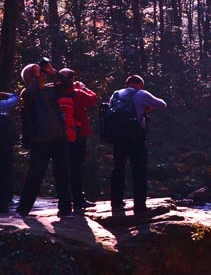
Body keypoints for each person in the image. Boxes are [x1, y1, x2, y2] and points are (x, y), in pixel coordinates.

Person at [16, 62, 72, 217]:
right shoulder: (28, 94)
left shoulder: (51, 90)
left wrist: (53, 72)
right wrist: (35, 77)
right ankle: (23, 210)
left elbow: (68, 86)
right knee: (35, 175)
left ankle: (66, 209)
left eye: (42, 73)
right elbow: (29, 94)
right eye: (39, 73)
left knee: (62, 174)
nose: (42, 75)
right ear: (30, 78)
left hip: (58, 138)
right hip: (39, 140)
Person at [109, 75, 166, 218]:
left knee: (118, 169)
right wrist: (147, 107)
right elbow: (162, 104)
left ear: (126, 83)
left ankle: (116, 203)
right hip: (136, 137)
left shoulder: (115, 94)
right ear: (139, 84)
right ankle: (140, 206)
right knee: (139, 171)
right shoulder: (141, 94)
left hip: (118, 137)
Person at [56, 68, 98, 212]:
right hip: (78, 135)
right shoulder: (78, 94)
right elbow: (94, 98)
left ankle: (64, 201)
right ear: (72, 79)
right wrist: (83, 87)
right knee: (76, 168)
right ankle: (78, 201)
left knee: (61, 168)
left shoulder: (53, 93)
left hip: (58, 136)